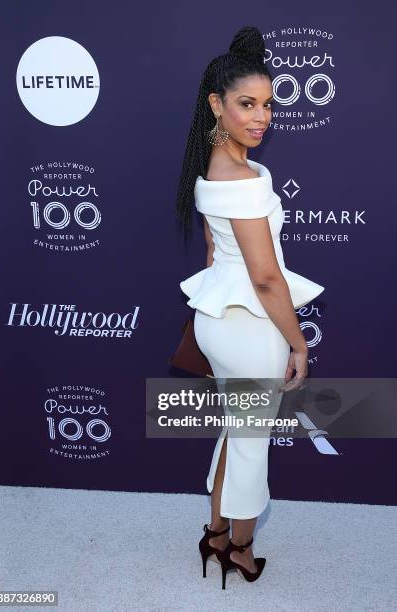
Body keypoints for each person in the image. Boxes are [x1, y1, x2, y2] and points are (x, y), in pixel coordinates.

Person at [175, 26, 325, 589]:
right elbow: (265, 279)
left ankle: (214, 533)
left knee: (234, 433)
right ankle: (240, 546)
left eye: (267, 104)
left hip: (219, 321)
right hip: (249, 326)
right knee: (250, 444)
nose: (261, 117)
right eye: (246, 105)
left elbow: (217, 253)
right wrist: (298, 342)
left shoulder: (217, 167)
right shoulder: (239, 178)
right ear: (217, 104)